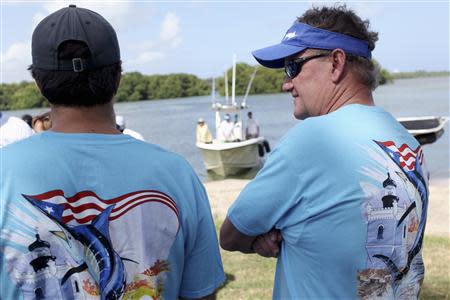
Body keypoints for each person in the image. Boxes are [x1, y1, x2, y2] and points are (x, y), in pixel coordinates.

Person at [0, 5, 224, 300]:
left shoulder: (5, 170)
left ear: (39, 83)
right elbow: (200, 293)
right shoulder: (178, 173)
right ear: (118, 75)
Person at [220, 5, 428, 299]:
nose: (286, 83)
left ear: (336, 62)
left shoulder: (313, 139)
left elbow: (230, 235)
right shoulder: (409, 144)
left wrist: (258, 241)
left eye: (294, 66)